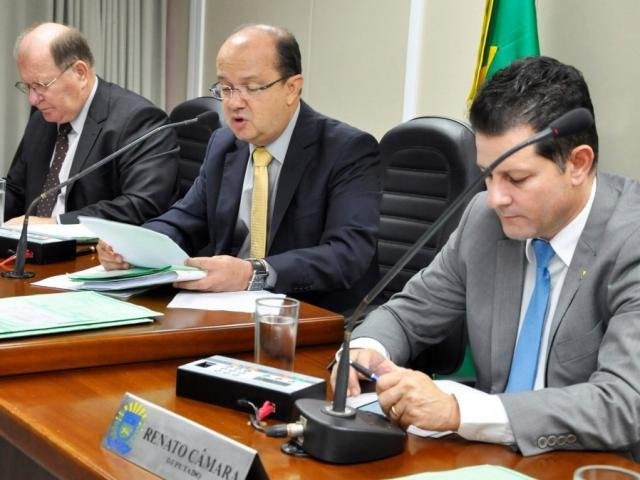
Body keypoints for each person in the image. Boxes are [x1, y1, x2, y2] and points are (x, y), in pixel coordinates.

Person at [333, 56, 640, 459]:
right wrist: (366, 349)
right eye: (487, 175)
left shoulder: (630, 241)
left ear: (579, 164)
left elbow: (623, 403)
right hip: (487, 460)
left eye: (516, 179)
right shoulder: (484, 219)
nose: (495, 198)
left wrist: (461, 410)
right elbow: (408, 312)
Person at [98, 24, 380, 313]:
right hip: (229, 309)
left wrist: (252, 273)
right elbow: (186, 218)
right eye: (226, 88)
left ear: (292, 88)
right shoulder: (224, 144)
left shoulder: (346, 150)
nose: (233, 103)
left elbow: (347, 254)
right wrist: (132, 247)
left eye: (251, 88)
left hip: (311, 313)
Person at [6, 22, 179, 225]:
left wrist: (57, 224)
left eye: (41, 85)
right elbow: (15, 189)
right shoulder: (42, 119)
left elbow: (143, 205)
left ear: (80, 73)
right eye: (27, 86)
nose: (33, 99)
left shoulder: (138, 120)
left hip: (91, 252)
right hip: (30, 249)